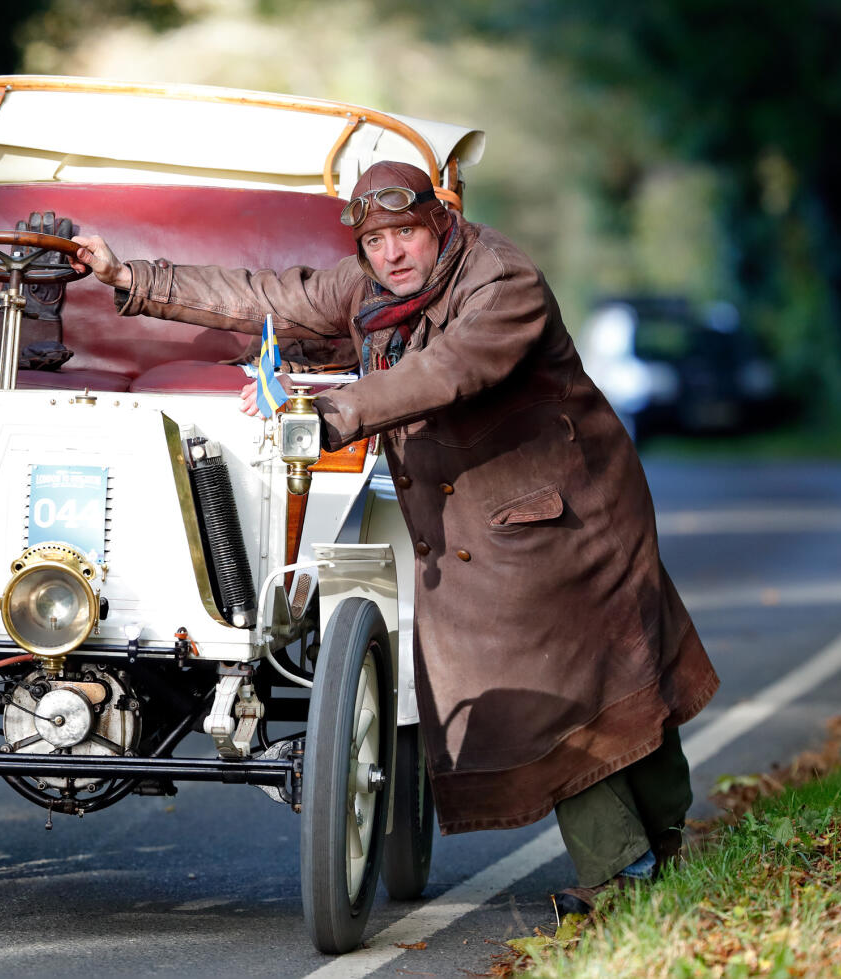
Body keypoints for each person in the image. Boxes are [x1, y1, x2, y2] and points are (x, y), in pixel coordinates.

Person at [71, 161, 720, 914]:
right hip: (488, 516)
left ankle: (626, 872)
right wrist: (128, 273)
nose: (392, 254)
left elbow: (447, 370)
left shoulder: (500, 280)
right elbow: (263, 295)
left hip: (571, 509)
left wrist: (334, 413)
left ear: (439, 222)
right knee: (609, 677)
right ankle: (659, 844)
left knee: (569, 686)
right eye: (375, 240)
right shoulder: (368, 290)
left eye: (405, 232)